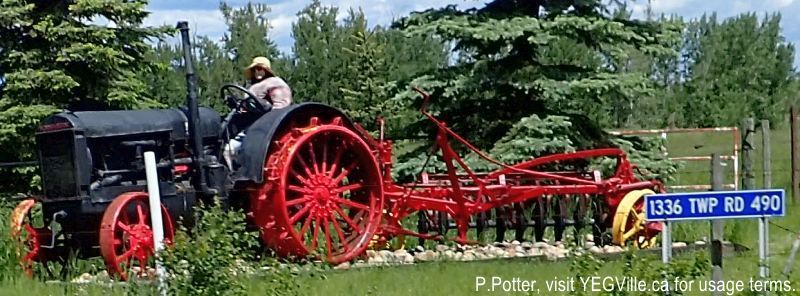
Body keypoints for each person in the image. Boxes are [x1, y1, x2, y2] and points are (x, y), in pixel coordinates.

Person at [224, 56, 294, 169]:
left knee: (243, 147)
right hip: (252, 124)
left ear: (266, 70)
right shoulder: (252, 86)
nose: (257, 71)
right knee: (228, 149)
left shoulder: (275, 83)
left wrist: (266, 116)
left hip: (268, 126)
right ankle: (231, 174)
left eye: (260, 68)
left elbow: (280, 105)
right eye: (255, 69)